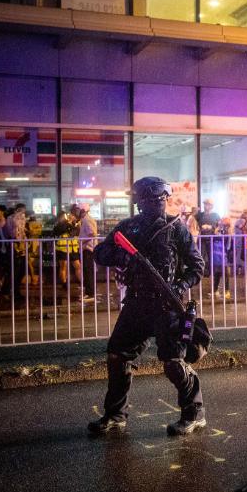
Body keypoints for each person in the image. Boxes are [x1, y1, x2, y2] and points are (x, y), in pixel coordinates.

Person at [87, 176, 206, 437]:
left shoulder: (177, 228)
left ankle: (194, 413)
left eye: (160, 199)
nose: (156, 204)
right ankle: (116, 414)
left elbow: (197, 266)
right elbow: (100, 253)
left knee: (174, 362)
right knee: (118, 354)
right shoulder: (128, 228)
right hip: (137, 302)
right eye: (150, 200)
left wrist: (179, 286)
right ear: (140, 202)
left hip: (168, 305)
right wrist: (122, 256)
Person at [78, 203, 99, 303]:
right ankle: (89, 292)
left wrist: (83, 242)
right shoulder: (85, 219)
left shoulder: (87, 220)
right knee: (87, 271)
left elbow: (92, 233)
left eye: (79, 210)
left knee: (89, 271)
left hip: (88, 249)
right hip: (86, 248)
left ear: (83, 210)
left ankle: (91, 294)